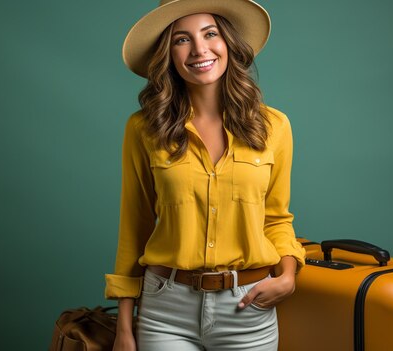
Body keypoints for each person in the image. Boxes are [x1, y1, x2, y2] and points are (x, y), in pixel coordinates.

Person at [105, 1, 305, 350]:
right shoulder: (143, 129)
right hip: (165, 310)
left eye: (210, 34)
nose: (199, 49)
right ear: (167, 53)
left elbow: (276, 219)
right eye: (182, 40)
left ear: (227, 42)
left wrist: (288, 276)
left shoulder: (275, 126)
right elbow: (134, 228)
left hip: (248, 309)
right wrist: (125, 325)